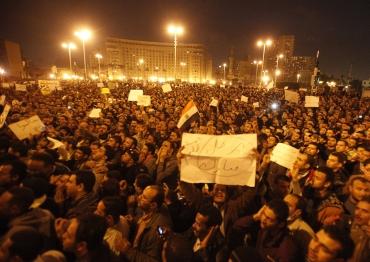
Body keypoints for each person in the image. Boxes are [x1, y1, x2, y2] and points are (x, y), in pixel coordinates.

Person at [116, 185, 172, 261]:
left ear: (153, 205)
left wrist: (128, 251)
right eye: (142, 194)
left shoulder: (157, 230)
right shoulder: (149, 210)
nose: (139, 197)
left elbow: (153, 260)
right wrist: (134, 222)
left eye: (144, 197)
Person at [233, 199, 298, 262]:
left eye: (269, 218)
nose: (263, 219)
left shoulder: (286, 249)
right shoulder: (265, 229)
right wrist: (255, 217)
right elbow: (236, 227)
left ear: (281, 224)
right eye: (264, 214)